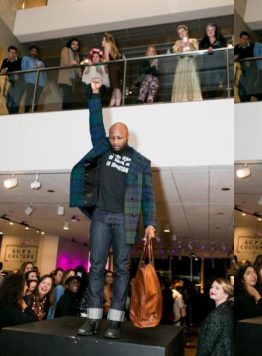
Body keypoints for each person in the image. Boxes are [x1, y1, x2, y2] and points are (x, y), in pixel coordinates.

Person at [70, 77, 157, 339]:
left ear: (127, 137)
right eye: (112, 137)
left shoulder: (140, 162)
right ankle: (93, 319)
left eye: (120, 137)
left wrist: (151, 222)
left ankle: (115, 322)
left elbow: (148, 195)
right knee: (96, 266)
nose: (116, 141)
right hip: (101, 215)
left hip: (124, 219)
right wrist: (94, 93)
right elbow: (94, 121)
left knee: (121, 268)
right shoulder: (103, 149)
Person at [196, 279, 234, 356]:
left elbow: (206, 347)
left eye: (217, 288)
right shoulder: (227, 309)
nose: (212, 289)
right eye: (212, 287)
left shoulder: (217, 314)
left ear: (226, 293)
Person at [171, 24, 202, 102]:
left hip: (191, 64)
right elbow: (176, 54)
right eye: (179, 33)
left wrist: (189, 45)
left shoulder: (193, 40)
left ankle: (194, 99)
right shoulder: (177, 42)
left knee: (192, 80)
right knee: (181, 82)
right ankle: (181, 99)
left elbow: (196, 53)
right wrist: (181, 47)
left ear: (187, 31)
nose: (181, 34)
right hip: (181, 65)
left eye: (183, 31)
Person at [199, 23, 226, 99]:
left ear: (215, 30)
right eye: (208, 30)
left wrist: (213, 47)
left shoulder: (220, 38)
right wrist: (206, 50)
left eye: (212, 29)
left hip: (218, 67)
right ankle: (210, 101)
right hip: (207, 68)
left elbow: (224, 47)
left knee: (216, 86)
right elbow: (200, 50)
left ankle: (212, 100)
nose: (210, 31)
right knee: (209, 87)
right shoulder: (203, 40)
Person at [58, 38, 82, 110]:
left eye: (77, 45)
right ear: (70, 44)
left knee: (70, 97)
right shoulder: (65, 49)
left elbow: (78, 67)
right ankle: (65, 111)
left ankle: (68, 110)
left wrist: (81, 76)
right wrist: (73, 62)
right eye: (73, 44)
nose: (75, 46)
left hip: (73, 79)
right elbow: (65, 62)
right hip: (65, 78)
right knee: (67, 96)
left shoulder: (76, 54)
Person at [21, 45, 46, 112]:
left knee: (36, 99)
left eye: (35, 51)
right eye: (32, 51)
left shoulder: (41, 62)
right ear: (30, 51)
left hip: (40, 83)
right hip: (30, 81)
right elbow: (23, 68)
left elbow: (45, 74)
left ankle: (33, 113)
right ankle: (25, 113)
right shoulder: (26, 58)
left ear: (37, 53)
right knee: (28, 97)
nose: (34, 53)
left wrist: (41, 69)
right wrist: (34, 69)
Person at [1, 45, 24, 114]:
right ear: (8, 53)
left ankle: (12, 117)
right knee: (8, 102)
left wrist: (7, 69)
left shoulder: (20, 60)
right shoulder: (5, 61)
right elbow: (2, 71)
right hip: (11, 83)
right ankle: (11, 115)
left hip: (20, 83)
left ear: (16, 54)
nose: (13, 54)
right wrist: (4, 70)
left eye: (14, 53)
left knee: (15, 101)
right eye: (11, 52)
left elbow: (22, 71)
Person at [102, 32, 123, 106]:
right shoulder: (113, 46)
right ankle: (111, 105)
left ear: (106, 39)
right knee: (115, 87)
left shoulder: (107, 44)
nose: (102, 42)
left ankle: (118, 105)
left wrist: (104, 64)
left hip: (112, 68)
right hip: (117, 67)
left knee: (116, 88)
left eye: (103, 40)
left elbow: (107, 59)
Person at [234, 31, 255, 102]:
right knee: (240, 91)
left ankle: (246, 104)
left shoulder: (252, 47)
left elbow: (257, 58)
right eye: (243, 38)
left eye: (246, 39)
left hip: (252, 71)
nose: (245, 40)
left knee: (247, 90)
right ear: (240, 39)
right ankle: (244, 104)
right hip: (242, 71)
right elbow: (233, 58)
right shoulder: (236, 48)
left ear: (248, 39)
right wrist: (235, 58)